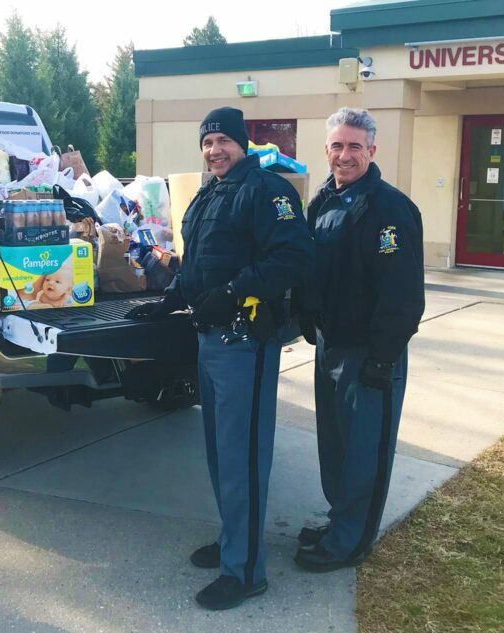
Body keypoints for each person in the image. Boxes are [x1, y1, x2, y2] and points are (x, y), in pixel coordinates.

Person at [127, 107, 312, 609]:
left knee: (243, 456)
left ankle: (247, 570)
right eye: (207, 143)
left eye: (223, 141)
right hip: (211, 342)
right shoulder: (211, 192)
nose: (214, 151)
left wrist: (233, 292)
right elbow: (200, 261)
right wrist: (169, 298)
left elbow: (293, 257)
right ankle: (236, 541)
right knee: (220, 452)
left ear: (242, 142)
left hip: (245, 341)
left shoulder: (267, 190)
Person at [292, 107, 424, 572]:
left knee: (365, 450)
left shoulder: (389, 209)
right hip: (331, 345)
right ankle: (339, 522)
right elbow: (312, 268)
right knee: (335, 446)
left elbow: (403, 294)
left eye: (353, 146)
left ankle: (351, 542)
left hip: (370, 353)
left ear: (371, 150)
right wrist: (308, 317)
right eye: (336, 146)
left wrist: (384, 358)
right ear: (326, 150)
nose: (343, 155)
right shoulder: (324, 202)